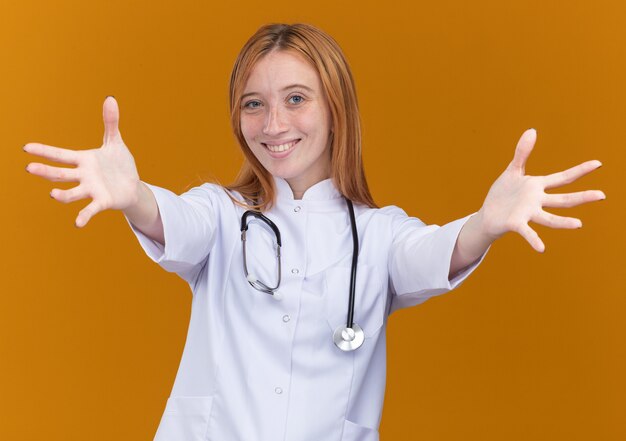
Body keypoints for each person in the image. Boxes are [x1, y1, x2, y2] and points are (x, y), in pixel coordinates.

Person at [24, 23, 604, 441]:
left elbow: (436, 253)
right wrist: (134, 197)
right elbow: (175, 220)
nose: (273, 125)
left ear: (335, 108)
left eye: (295, 99)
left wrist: (485, 224)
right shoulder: (224, 214)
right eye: (254, 104)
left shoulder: (378, 236)